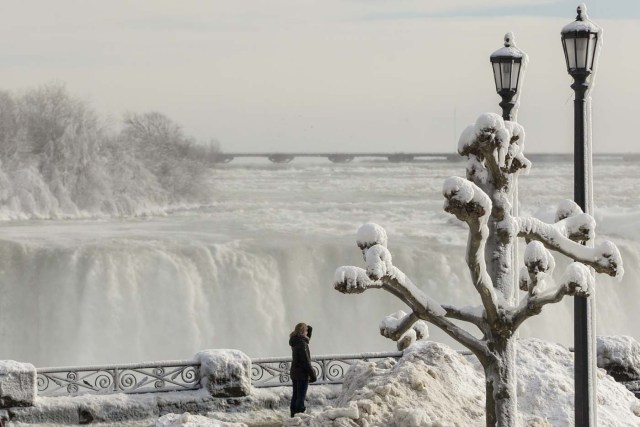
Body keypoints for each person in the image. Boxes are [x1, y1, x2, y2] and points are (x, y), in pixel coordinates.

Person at [289, 322, 316, 418]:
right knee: (300, 398)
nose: (307, 332)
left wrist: (307, 328)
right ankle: (299, 417)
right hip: (301, 374)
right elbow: (306, 362)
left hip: (294, 372)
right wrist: (313, 375)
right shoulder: (302, 344)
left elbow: (307, 335)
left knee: (295, 396)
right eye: (306, 331)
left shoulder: (294, 340)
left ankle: (292, 416)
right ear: (302, 332)